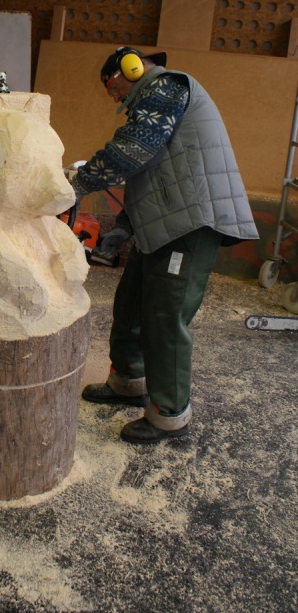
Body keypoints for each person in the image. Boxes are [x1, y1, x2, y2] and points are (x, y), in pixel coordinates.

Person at [70, 46, 258, 445]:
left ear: (130, 68)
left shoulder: (166, 87)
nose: (116, 97)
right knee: (131, 303)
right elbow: (152, 171)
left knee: (164, 319)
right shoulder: (153, 100)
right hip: (163, 220)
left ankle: (169, 414)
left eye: (114, 88)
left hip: (188, 224)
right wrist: (125, 225)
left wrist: (76, 185)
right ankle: (128, 381)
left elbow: (131, 150)